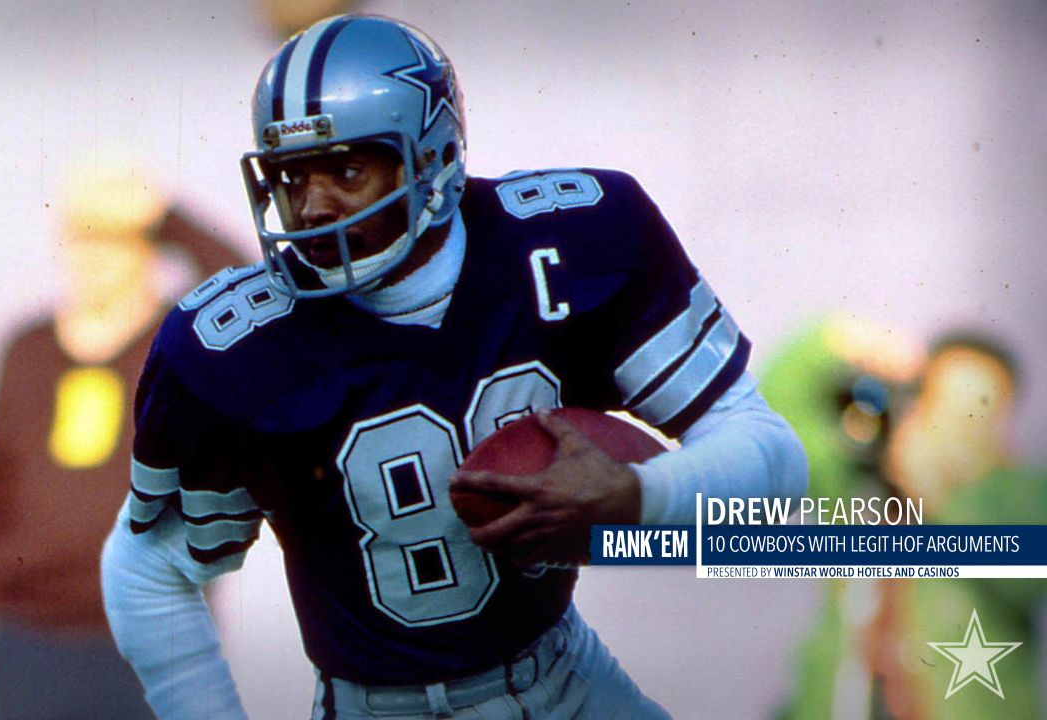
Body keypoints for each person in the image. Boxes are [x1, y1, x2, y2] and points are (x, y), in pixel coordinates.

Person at [102, 14, 807, 720]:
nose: (313, 207)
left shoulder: (575, 244)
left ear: (435, 157)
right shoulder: (230, 347)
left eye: (347, 169)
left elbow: (774, 461)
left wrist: (638, 498)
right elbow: (148, 569)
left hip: (567, 681)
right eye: (291, 176)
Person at [0, 160, 242, 719]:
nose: (92, 257)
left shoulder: (177, 348)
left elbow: (240, 288)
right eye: (80, 238)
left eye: (113, 240)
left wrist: (164, 212)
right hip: (28, 639)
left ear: (148, 250)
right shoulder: (27, 348)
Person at [772, 330, 1045, 720]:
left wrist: (939, 490)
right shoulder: (861, 484)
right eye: (944, 399)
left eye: (977, 404)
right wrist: (832, 337)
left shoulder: (1022, 495)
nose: (959, 422)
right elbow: (779, 432)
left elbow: (1027, 576)